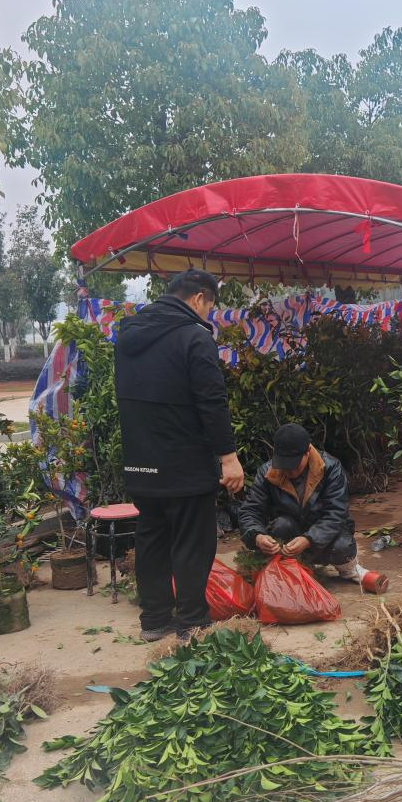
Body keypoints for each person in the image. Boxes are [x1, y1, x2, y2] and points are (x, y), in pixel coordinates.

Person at [114, 270, 245, 641]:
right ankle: (191, 622)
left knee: (152, 538)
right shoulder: (194, 336)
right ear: (199, 298)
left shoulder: (128, 336)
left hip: (140, 460)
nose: (208, 315)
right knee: (192, 541)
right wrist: (228, 457)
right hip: (184, 461)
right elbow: (211, 401)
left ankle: (154, 621)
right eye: (210, 307)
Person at [239, 423, 389, 594]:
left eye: (294, 465)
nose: (289, 471)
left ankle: (349, 570)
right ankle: (292, 568)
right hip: (290, 532)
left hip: (325, 535)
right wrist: (257, 536)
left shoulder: (331, 467)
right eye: (284, 465)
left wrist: (308, 539)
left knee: (342, 545)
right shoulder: (267, 472)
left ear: (308, 451)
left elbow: (336, 514)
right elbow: (250, 511)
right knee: (281, 526)